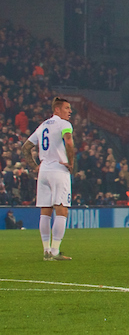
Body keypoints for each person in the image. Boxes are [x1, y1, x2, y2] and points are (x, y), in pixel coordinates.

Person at [20, 97, 75, 261]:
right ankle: (55, 251)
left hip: (43, 171)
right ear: (57, 110)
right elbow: (69, 143)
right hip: (58, 170)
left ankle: (46, 251)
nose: (70, 111)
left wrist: (35, 166)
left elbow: (26, 148)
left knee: (45, 212)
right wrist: (71, 163)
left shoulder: (42, 125)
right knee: (62, 210)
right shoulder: (64, 125)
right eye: (66, 108)